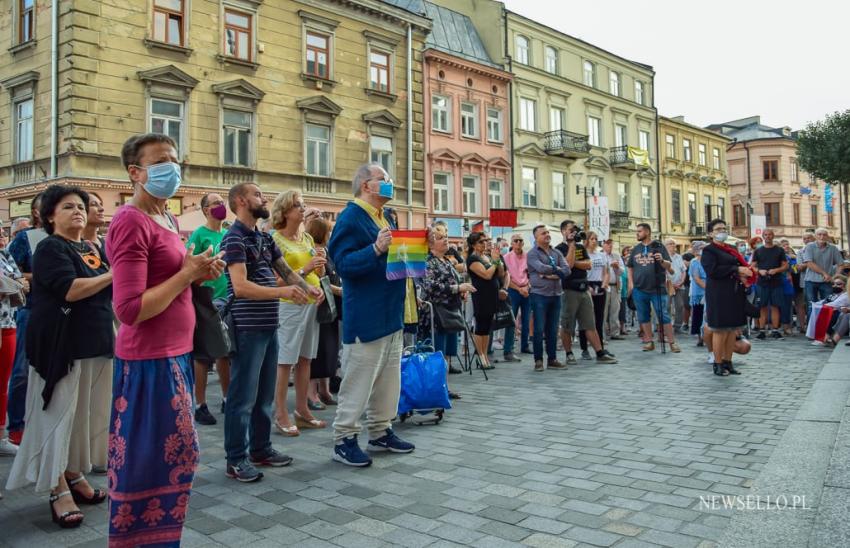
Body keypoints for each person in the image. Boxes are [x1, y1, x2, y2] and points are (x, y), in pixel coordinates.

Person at [106, 134, 225, 544]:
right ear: (135, 173)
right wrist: (186, 275)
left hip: (176, 353)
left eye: (174, 160)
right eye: (159, 162)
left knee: (176, 458)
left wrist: (198, 273)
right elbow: (130, 310)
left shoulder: (168, 218)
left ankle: (161, 538)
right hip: (148, 361)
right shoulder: (129, 220)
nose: (171, 169)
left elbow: (173, 281)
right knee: (150, 464)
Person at [6, 185, 113, 529]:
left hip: (94, 343)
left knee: (83, 417)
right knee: (58, 415)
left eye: (81, 206)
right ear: (50, 215)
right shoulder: (50, 247)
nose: (78, 211)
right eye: (68, 207)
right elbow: (70, 288)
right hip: (59, 346)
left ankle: (73, 473)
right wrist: (115, 274)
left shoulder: (92, 247)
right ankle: (56, 487)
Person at [223, 182, 321, 481]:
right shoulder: (234, 238)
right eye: (256, 195)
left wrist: (306, 288)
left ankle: (261, 449)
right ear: (240, 200)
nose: (262, 198)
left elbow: (287, 271)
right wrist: (285, 292)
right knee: (242, 397)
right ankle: (236, 458)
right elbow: (240, 287)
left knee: (265, 393)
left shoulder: (263, 238)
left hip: (269, 324)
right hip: (248, 325)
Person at [327, 163, 414, 467]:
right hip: (366, 314)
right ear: (366, 185)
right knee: (359, 379)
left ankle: (380, 429)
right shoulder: (350, 217)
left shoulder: (385, 216)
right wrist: (375, 250)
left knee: (389, 379)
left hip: (390, 312)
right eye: (384, 179)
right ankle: (344, 438)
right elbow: (343, 265)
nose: (390, 183)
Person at [270, 190, 327, 436]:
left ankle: (302, 410)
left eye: (303, 204)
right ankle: (280, 412)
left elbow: (320, 274)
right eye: (297, 205)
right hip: (288, 306)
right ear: (284, 211)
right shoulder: (275, 240)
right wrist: (303, 271)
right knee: (285, 361)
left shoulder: (306, 238)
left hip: (310, 305)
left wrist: (320, 276)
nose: (302, 209)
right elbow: (273, 282)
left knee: (306, 359)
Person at [187, 193, 231, 426]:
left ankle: (227, 398)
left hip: (228, 298)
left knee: (225, 351)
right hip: (206, 299)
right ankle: (200, 404)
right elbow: (189, 266)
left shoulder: (227, 234)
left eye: (222, 202)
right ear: (205, 209)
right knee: (203, 354)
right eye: (215, 203)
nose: (221, 206)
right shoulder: (199, 235)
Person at [5, 193, 46, 446]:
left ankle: (40, 423)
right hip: (29, 310)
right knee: (21, 371)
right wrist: (42, 275)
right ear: (35, 212)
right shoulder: (25, 238)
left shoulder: (62, 238)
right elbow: (12, 273)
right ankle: (16, 426)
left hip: (58, 311)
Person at [418, 225, 476, 398]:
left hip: (450, 311)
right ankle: (434, 388)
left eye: (445, 236)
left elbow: (453, 282)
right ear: (430, 244)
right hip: (436, 313)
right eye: (439, 237)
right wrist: (457, 288)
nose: (445, 239)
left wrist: (461, 291)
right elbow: (430, 287)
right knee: (437, 351)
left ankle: (443, 386)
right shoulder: (428, 261)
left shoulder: (446, 261)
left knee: (448, 352)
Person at [557, 221, 618, 364]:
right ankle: (569, 353)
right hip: (569, 290)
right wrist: (571, 247)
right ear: (563, 231)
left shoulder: (580, 247)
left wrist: (574, 262)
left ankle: (599, 352)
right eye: (571, 230)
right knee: (567, 325)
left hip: (584, 289)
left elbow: (588, 264)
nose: (574, 232)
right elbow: (568, 265)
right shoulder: (559, 249)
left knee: (590, 323)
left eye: (575, 230)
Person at [701, 219, 755, 376]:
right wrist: (736, 269)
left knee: (732, 329)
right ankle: (717, 364)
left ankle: (727, 361)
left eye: (724, 228)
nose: (722, 231)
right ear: (710, 233)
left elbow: (740, 263)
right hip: (719, 293)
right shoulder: (709, 251)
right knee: (720, 330)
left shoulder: (730, 248)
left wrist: (746, 271)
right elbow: (712, 271)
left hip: (734, 292)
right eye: (718, 229)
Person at [627, 223, 681, 353]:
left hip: (657, 288)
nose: (637, 234)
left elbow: (668, 265)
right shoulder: (636, 249)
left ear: (647, 232)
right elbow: (630, 266)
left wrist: (662, 260)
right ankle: (649, 341)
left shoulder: (658, 246)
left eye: (639, 231)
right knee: (643, 316)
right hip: (639, 289)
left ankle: (672, 342)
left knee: (664, 316)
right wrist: (631, 283)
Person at [526, 225, 570, 371]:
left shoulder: (556, 252)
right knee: (539, 329)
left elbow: (567, 270)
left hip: (556, 294)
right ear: (536, 237)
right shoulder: (532, 253)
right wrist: (557, 271)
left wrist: (549, 274)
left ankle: (552, 359)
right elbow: (540, 268)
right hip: (539, 295)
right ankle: (538, 360)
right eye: (543, 233)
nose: (547, 235)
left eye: (548, 232)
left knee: (552, 329)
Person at [0, 230, 27, 457]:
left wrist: (9, 284)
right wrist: (11, 283)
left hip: (7, 321)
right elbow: (15, 283)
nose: (0, 233)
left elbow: (22, 283)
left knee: (3, 383)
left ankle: (2, 436)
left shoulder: (4, 254)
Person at [466, 232, 503, 370]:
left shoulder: (486, 257)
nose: (485, 243)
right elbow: (487, 275)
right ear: (474, 244)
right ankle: (480, 356)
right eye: (481, 241)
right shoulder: (473, 259)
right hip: (481, 296)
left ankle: (485, 355)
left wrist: (497, 261)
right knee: (480, 326)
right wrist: (494, 261)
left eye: (486, 240)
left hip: (492, 295)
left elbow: (500, 273)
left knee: (487, 327)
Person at [750, 228, 789, 340]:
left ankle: (775, 330)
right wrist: (759, 271)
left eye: (770, 234)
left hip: (776, 281)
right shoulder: (758, 251)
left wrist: (776, 270)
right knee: (762, 306)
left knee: (775, 306)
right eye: (765, 235)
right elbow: (752, 266)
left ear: (773, 236)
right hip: (762, 282)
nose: (767, 236)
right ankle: (762, 330)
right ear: (763, 236)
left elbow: (785, 266)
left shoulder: (779, 250)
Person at [584, 232, 615, 356]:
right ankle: (584, 348)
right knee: (586, 318)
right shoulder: (583, 254)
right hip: (587, 284)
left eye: (596, 239)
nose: (594, 241)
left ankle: (600, 347)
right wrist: (587, 286)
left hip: (599, 285)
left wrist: (604, 284)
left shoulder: (601, 255)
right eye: (592, 238)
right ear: (586, 240)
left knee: (599, 318)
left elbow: (606, 272)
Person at [803, 228, 844, 314]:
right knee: (811, 306)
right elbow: (809, 263)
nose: (822, 237)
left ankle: (827, 327)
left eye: (824, 235)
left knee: (828, 305)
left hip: (827, 281)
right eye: (819, 234)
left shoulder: (833, 248)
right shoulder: (809, 246)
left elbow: (841, 264)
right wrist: (824, 273)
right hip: (811, 281)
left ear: (827, 237)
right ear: (815, 236)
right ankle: (812, 327)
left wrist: (836, 276)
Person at [503, 233, 531, 360]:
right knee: (511, 320)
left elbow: (532, 274)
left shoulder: (528, 257)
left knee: (526, 319)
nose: (519, 242)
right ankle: (508, 348)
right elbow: (505, 277)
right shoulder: (506, 257)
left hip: (526, 289)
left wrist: (527, 287)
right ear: (511, 243)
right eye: (516, 240)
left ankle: (525, 345)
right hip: (513, 289)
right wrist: (519, 289)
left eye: (521, 240)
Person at [602, 239, 625, 340]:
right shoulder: (600, 255)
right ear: (603, 245)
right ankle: (602, 333)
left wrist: (616, 267)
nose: (610, 246)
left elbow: (622, 272)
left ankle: (615, 332)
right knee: (603, 310)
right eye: (607, 244)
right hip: (604, 286)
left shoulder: (617, 256)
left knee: (615, 310)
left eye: (611, 244)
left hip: (615, 286)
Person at [665, 239, 688, 332]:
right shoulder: (663, 257)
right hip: (668, 285)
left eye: (674, 243)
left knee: (680, 305)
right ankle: (667, 326)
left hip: (679, 285)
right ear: (665, 246)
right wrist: (670, 283)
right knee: (667, 306)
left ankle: (677, 326)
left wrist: (682, 282)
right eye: (670, 244)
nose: (673, 245)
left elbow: (684, 270)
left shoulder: (679, 257)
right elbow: (663, 272)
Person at [689, 242, 708, 346]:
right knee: (698, 314)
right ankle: (700, 337)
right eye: (701, 248)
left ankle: (708, 336)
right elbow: (696, 278)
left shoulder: (709, 260)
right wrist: (707, 288)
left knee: (708, 315)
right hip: (698, 292)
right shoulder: (694, 262)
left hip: (710, 289)